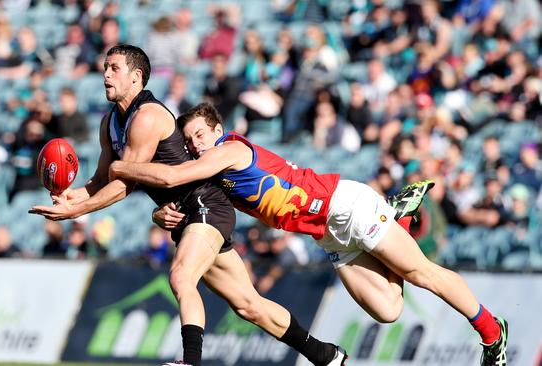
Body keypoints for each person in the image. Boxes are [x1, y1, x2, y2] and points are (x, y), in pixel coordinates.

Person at [110, 103, 509, 366]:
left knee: (422, 274)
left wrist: (121, 168)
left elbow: (175, 175)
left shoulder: (229, 151)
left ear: (219, 130)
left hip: (346, 206)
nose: (195, 145)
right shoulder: (216, 172)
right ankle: (399, 219)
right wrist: (160, 214)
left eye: (200, 135)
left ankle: (492, 335)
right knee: (388, 310)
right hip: (328, 236)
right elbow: (200, 205)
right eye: (190, 140)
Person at [29, 45, 346, 366]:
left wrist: (77, 212)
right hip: (188, 219)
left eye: (114, 68)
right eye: (105, 68)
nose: (106, 74)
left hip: (205, 206)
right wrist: (71, 196)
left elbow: (125, 182)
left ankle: (190, 362)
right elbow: (100, 181)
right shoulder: (109, 123)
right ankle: (325, 355)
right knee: (249, 305)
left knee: (181, 277)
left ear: (136, 76)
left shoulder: (148, 116)